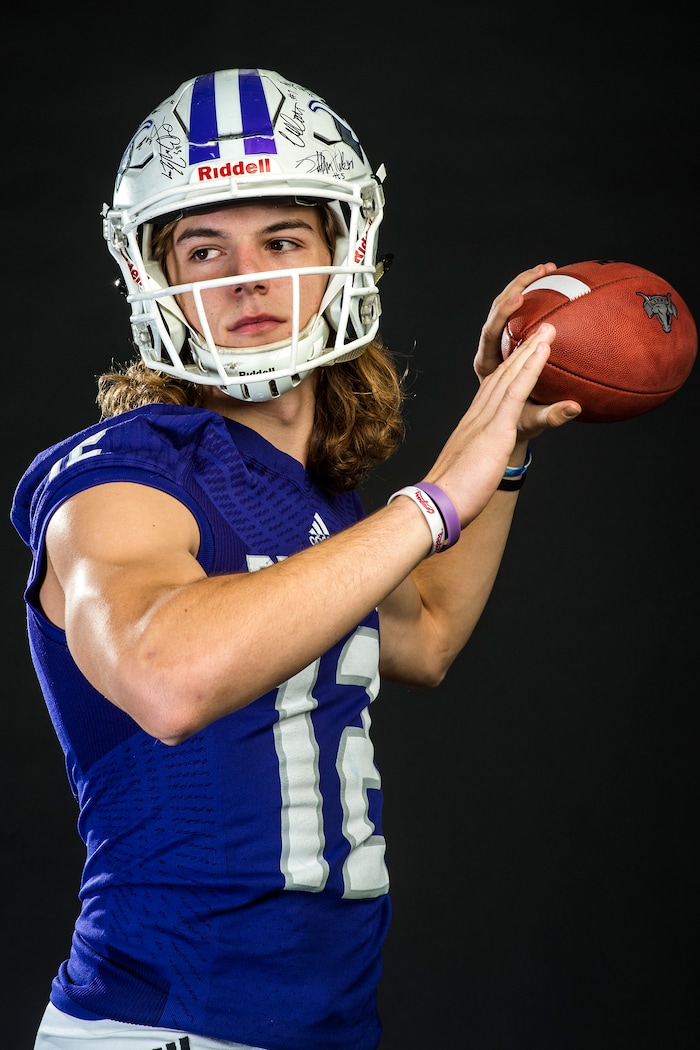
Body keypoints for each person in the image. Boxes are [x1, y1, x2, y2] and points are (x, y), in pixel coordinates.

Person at [11, 67, 581, 1050]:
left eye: (281, 239)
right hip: (162, 1027)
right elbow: (169, 673)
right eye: (205, 248)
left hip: (321, 1024)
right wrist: (437, 496)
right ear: (158, 277)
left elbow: (428, 633)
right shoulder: (116, 478)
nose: (246, 279)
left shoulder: (312, 495)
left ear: (342, 252)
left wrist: (508, 447)